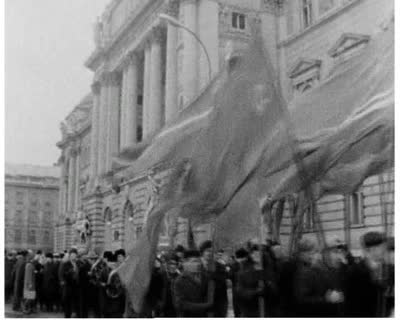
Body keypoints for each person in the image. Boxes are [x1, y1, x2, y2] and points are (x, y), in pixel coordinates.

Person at [292, 237, 346, 317]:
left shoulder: (317, 267)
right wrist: (327, 299)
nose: (317, 255)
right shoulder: (303, 271)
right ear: (304, 254)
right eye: (314, 252)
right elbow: (302, 300)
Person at [345, 231, 388, 317]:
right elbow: (351, 304)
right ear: (372, 249)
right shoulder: (355, 271)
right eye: (382, 247)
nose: (385, 250)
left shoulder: (386, 268)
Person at [173, 250, 213, 317]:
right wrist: (205, 306)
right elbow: (180, 304)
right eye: (194, 261)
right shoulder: (179, 281)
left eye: (198, 261)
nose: (198, 264)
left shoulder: (206, 277)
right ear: (186, 263)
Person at [235, 244, 266, 317]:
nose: (257, 256)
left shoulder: (267, 269)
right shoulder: (243, 271)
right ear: (251, 255)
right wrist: (256, 292)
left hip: (266, 308)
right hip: (249, 308)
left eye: (259, 254)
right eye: (255, 254)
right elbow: (240, 291)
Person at [199, 240, 228, 317]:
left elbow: (223, 293)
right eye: (207, 251)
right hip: (199, 307)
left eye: (212, 251)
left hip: (216, 308)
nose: (210, 253)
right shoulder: (196, 266)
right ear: (202, 251)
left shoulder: (220, 267)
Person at [60, 248, 81, 318]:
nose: (73, 257)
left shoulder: (78, 263)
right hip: (68, 289)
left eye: (75, 255)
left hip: (77, 289)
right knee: (67, 308)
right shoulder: (65, 264)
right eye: (72, 255)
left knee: (77, 307)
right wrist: (71, 271)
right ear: (69, 256)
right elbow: (63, 275)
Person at [159, 252, 180, 317]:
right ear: (167, 264)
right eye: (171, 263)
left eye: (175, 264)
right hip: (162, 311)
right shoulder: (161, 276)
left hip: (176, 311)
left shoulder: (180, 277)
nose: (173, 266)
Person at [23, 250, 37, 315]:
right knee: (29, 297)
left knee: (31, 297)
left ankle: (29, 309)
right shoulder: (29, 265)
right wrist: (30, 283)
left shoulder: (30, 264)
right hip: (30, 284)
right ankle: (25, 309)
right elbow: (28, 275)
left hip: (31, 283)